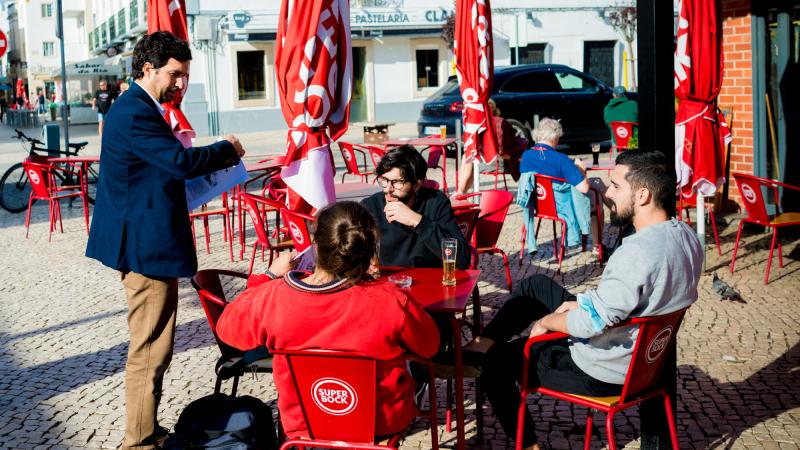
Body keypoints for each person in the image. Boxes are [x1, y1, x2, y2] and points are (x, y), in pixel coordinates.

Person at [437, 150, 703, 449]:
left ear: (642, 195)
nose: (607, 194)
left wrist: (548, 321)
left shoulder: (637, 252)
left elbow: (591, 323)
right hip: (643, 361)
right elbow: (624, 303)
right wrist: (582, 302)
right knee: (536, 285)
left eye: (615, 186)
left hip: (603, 369)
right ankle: (481, 343)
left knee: (495, 365)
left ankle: (528, 443)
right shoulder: (686, 235)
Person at [85, 31, 246, 450]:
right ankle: (138, 440)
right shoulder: (136, 111)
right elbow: (178, 162)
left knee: (156, 343)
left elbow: (159, 168)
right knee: (151, 347)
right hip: (145, 248)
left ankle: (147, 430)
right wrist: (225, 150)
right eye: (175, 75)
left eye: (186, 76)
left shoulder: (138, 107)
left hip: (146, 240)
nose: (181, 83)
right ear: (148, 69)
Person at [216, 201, 439, 439]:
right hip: (379, 424)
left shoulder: (274, 296)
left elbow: (227, 328)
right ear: (369, 251)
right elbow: (429, 345)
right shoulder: (390, 299)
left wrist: (267, 276)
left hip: (304, 424)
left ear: (316, 247)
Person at [362, 145, 470, 270]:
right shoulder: (370, 207)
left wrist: (418, 221)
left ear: (417, 185)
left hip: (429, 285)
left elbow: (462, 259)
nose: (388, 189)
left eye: (397, 182)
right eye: (384, 180)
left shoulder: (435, 202)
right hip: (388, 284)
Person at [517, 118, 602, 254]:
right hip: (561, 207)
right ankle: (597, 245)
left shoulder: (526, 156)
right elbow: (584, 188)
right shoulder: (561, 159)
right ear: (555, 137)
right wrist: (581, 170)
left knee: (596, 184)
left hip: (538, 205)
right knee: (596, 189)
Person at [455, 100, 526, 194]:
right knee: (468, 158)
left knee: (470, 159)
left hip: (502, 161)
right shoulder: (493, 122)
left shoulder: (496, 124)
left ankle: (460, 192)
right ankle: (461, 192)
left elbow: (501, 152)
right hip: (501, 159)